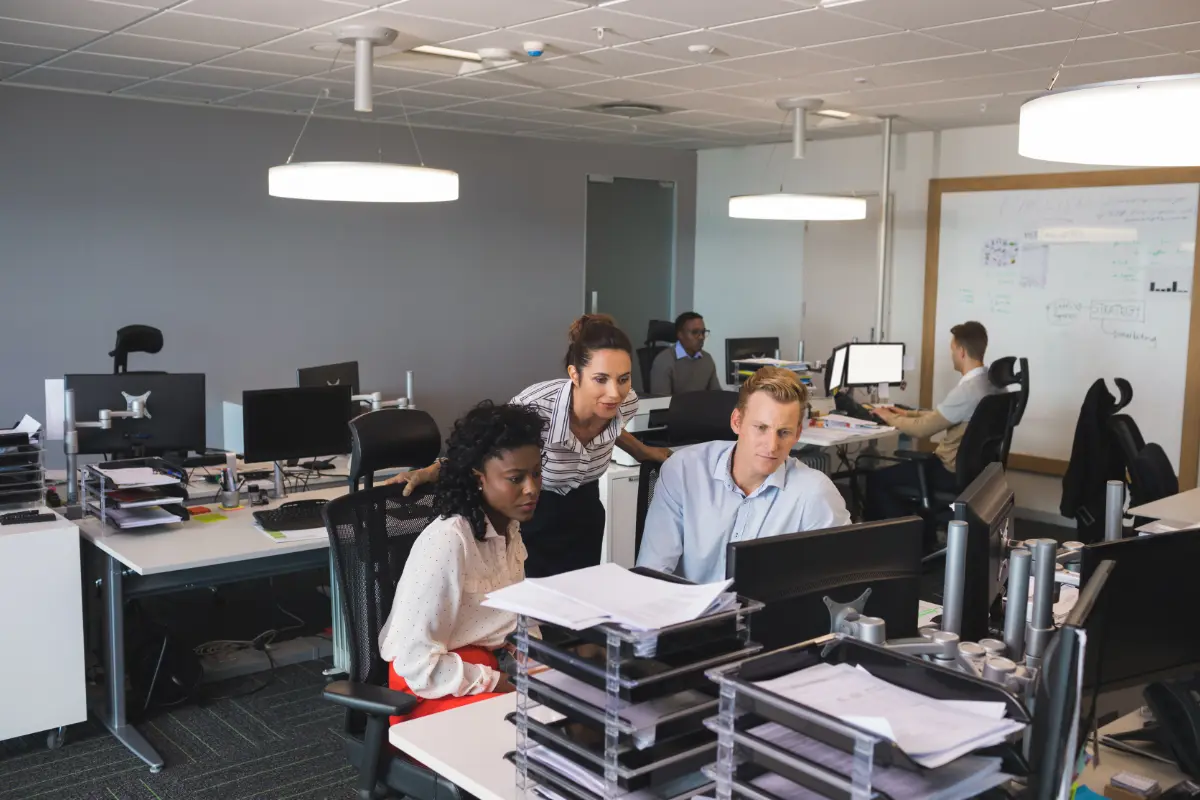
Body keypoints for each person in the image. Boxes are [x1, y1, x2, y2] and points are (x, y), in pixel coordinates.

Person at [388, 314, 672, 577]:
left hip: (585, 508)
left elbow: (612, 425)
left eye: (623, 379)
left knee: (578, 608)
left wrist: (642, 451)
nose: (615, 392)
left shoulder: (625, 402)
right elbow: (484, 447)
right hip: (534, 510)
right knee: (530, 611)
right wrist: (427, 472)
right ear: (575, 374)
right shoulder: (538, 406)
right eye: (601, 379)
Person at [379, 401, 544, 724]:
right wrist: (499, 683)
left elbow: (514, 617)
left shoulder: (509, 528)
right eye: (515, 478)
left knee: (576, 715)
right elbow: (415, 664)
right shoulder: (449, 541)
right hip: (426, 691)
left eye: (537, 473)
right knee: (531, 733)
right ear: (478, 477)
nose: (532, 488)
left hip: (480, 672)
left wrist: (540, 664)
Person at [636, 366, 850, 584]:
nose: (772, 446)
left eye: (784, 432)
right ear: (736, 422)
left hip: (767, 615)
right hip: (691, 614)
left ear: (797, 434)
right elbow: (653, 573)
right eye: (761, 428)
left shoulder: (815, 492)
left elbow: (840, 583)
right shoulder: (683, 471)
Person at [866, 321, 998, 521]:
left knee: (877, 480)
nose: (951, 355)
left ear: (961, 351)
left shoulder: (968, 391)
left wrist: (888, 416)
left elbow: (922, 430)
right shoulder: (992, 384)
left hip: (949, 472)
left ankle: (894, 544)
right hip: (976, 472)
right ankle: (919, 536)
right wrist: (906, 413)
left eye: (952, 349)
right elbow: (943, 415)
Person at [649, 311, 722, 396]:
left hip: (701, 408)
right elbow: (660, 402)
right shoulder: (664, 360)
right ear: (680, 335)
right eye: (695, 332)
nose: (701, 337)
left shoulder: (707, 359)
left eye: (703, 332)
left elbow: (717, 395)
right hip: (675, 409)